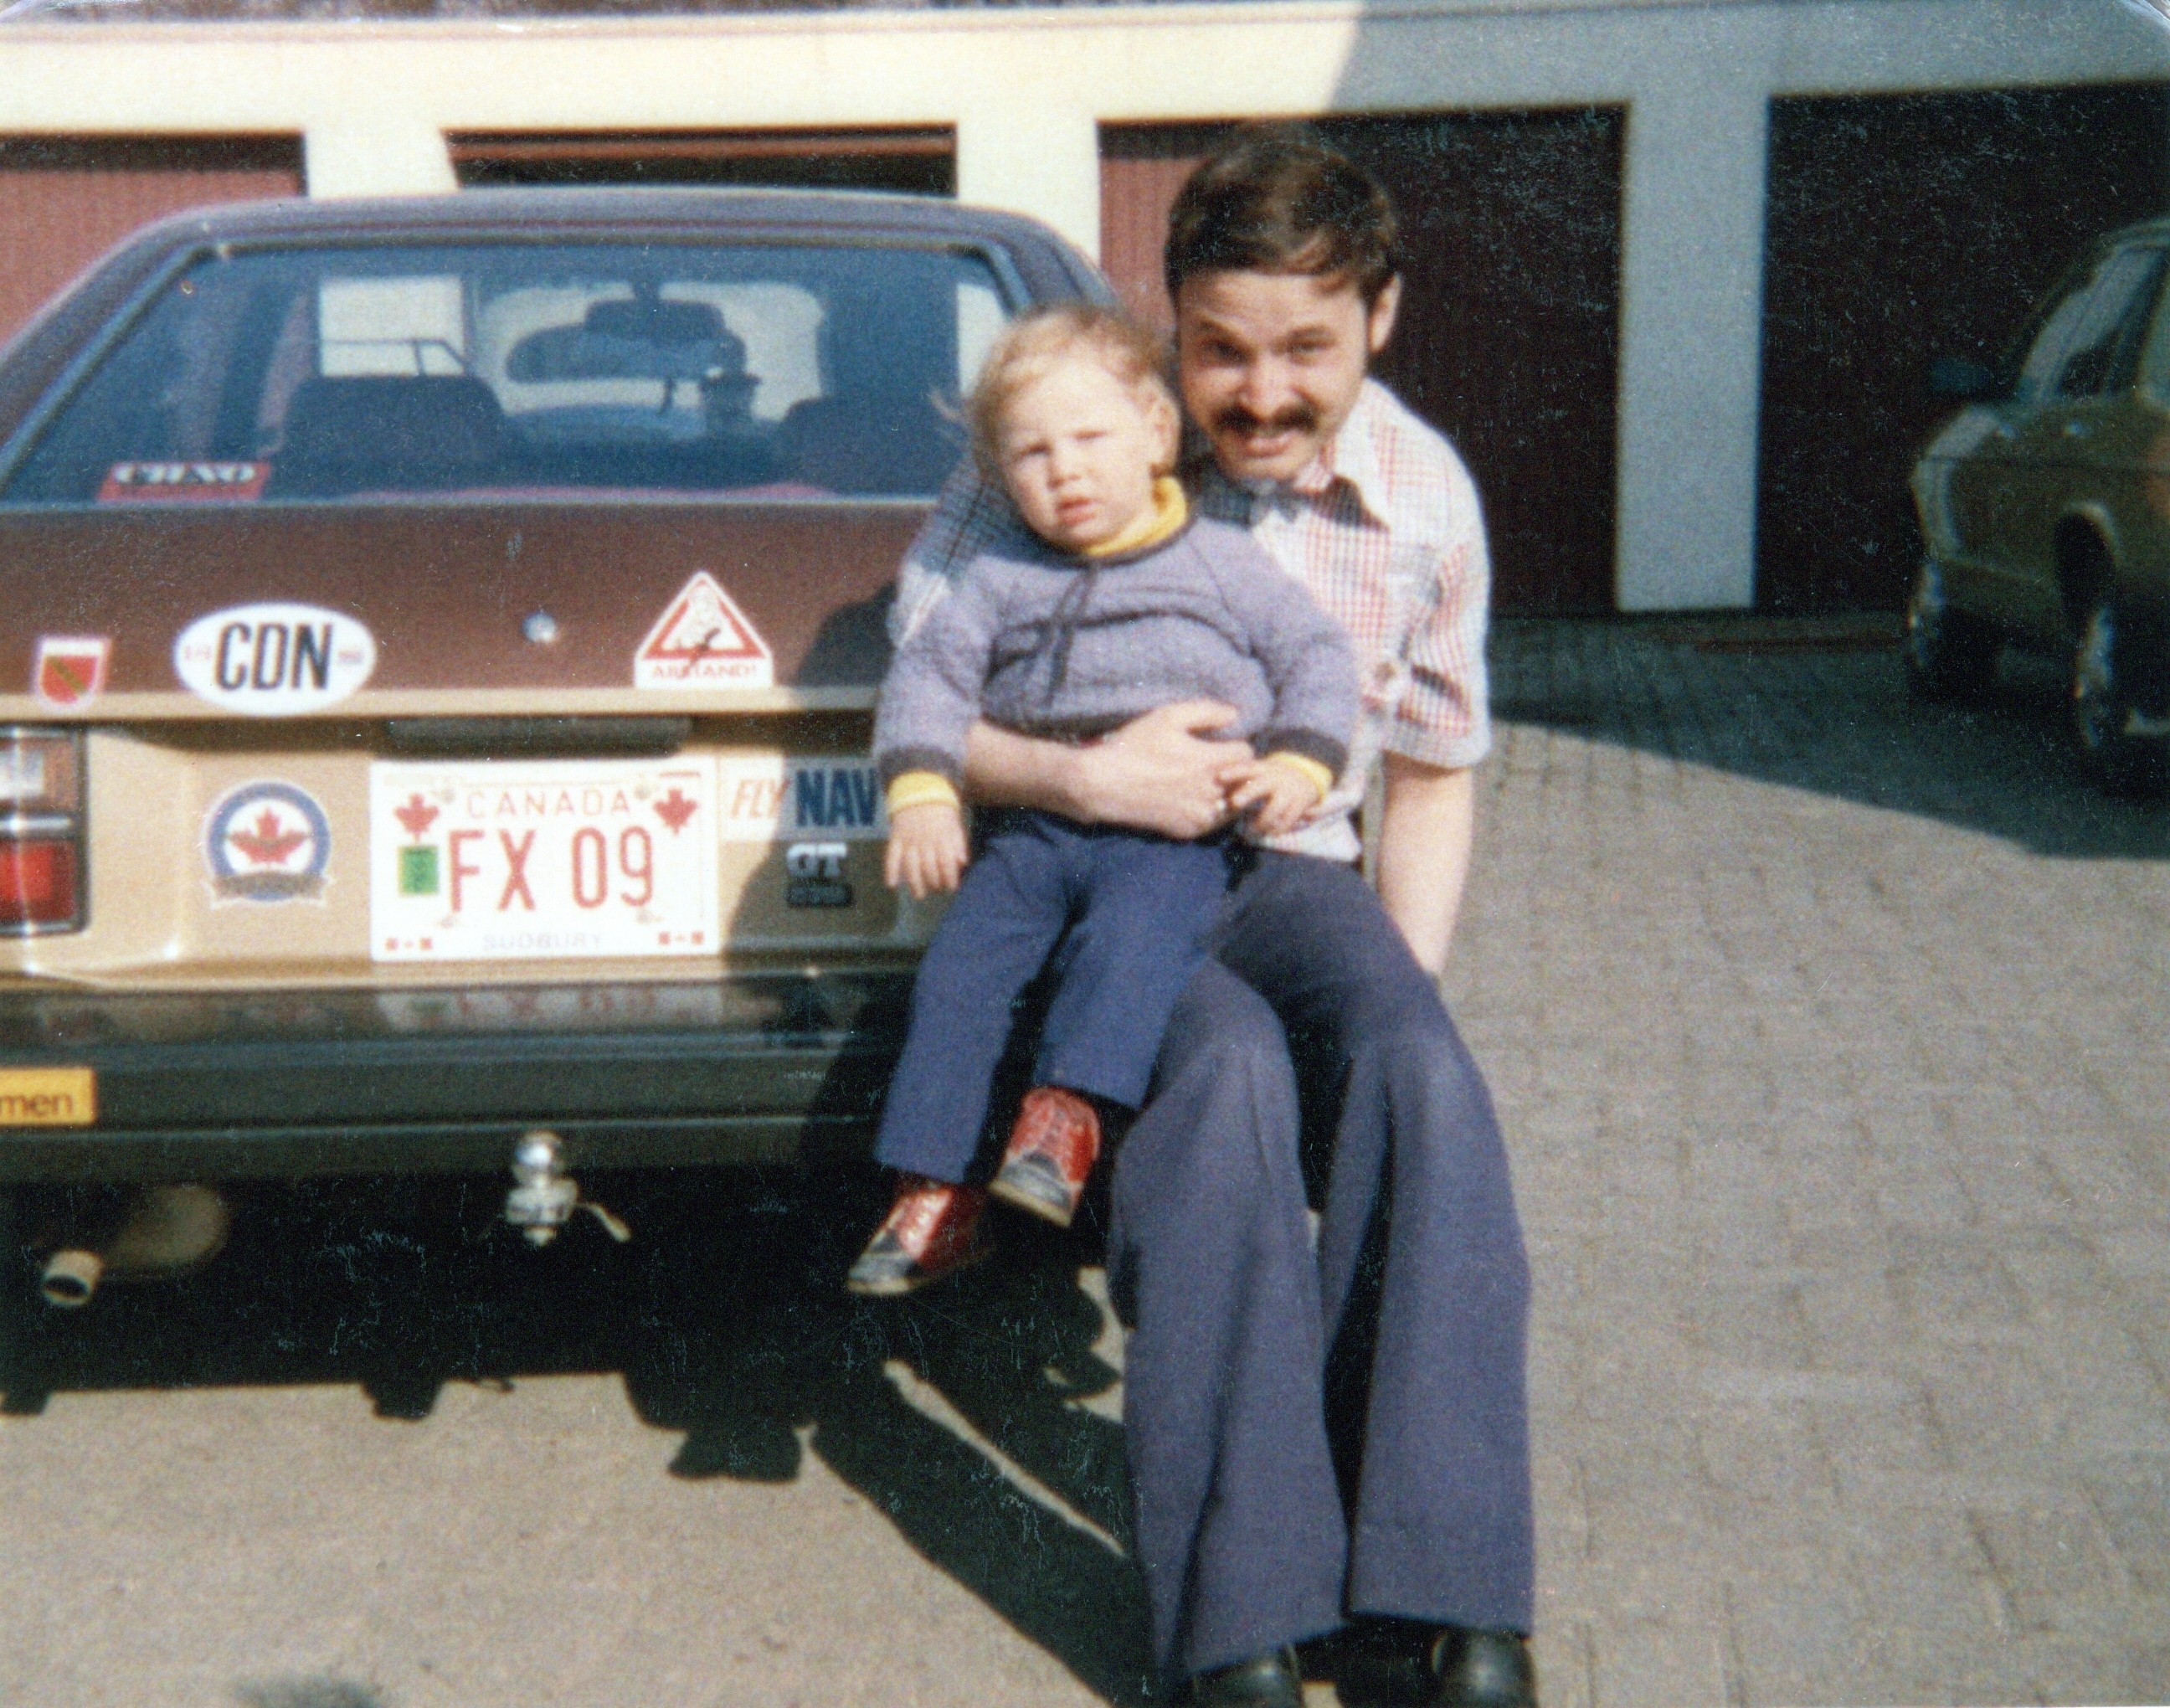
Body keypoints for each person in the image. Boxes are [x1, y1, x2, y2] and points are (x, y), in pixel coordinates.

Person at [890, 126, 1536, 1708]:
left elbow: (1434, 778)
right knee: (1222, 1085)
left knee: (1421, 1074)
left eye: (1305, 351)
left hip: (1295, 884)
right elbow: (918, 700)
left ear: (1379, 319)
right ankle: (1239, 1613)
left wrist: (1394, 997)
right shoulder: (1062, 449)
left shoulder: (1423, 500)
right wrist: (1089, 780)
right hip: (1098, 904)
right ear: (1167, 326)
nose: (1257, 394)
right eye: (1221, 350)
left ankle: (1435, 1601)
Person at [847, 305, 1360, 1297]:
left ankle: (1066, 1124)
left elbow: (1317, 656)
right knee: (959, 974)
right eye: (1031, 454)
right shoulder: (999, 578)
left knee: (1126, 952)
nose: (1066, 472)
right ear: (999, 477)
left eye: (1089, 440)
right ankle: (934, 1193)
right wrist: (922, 796)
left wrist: (1299, 763)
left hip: (1173, 837)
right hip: (1034, 834)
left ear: (1157, 437)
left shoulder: (1218, 562)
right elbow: (928, 681)